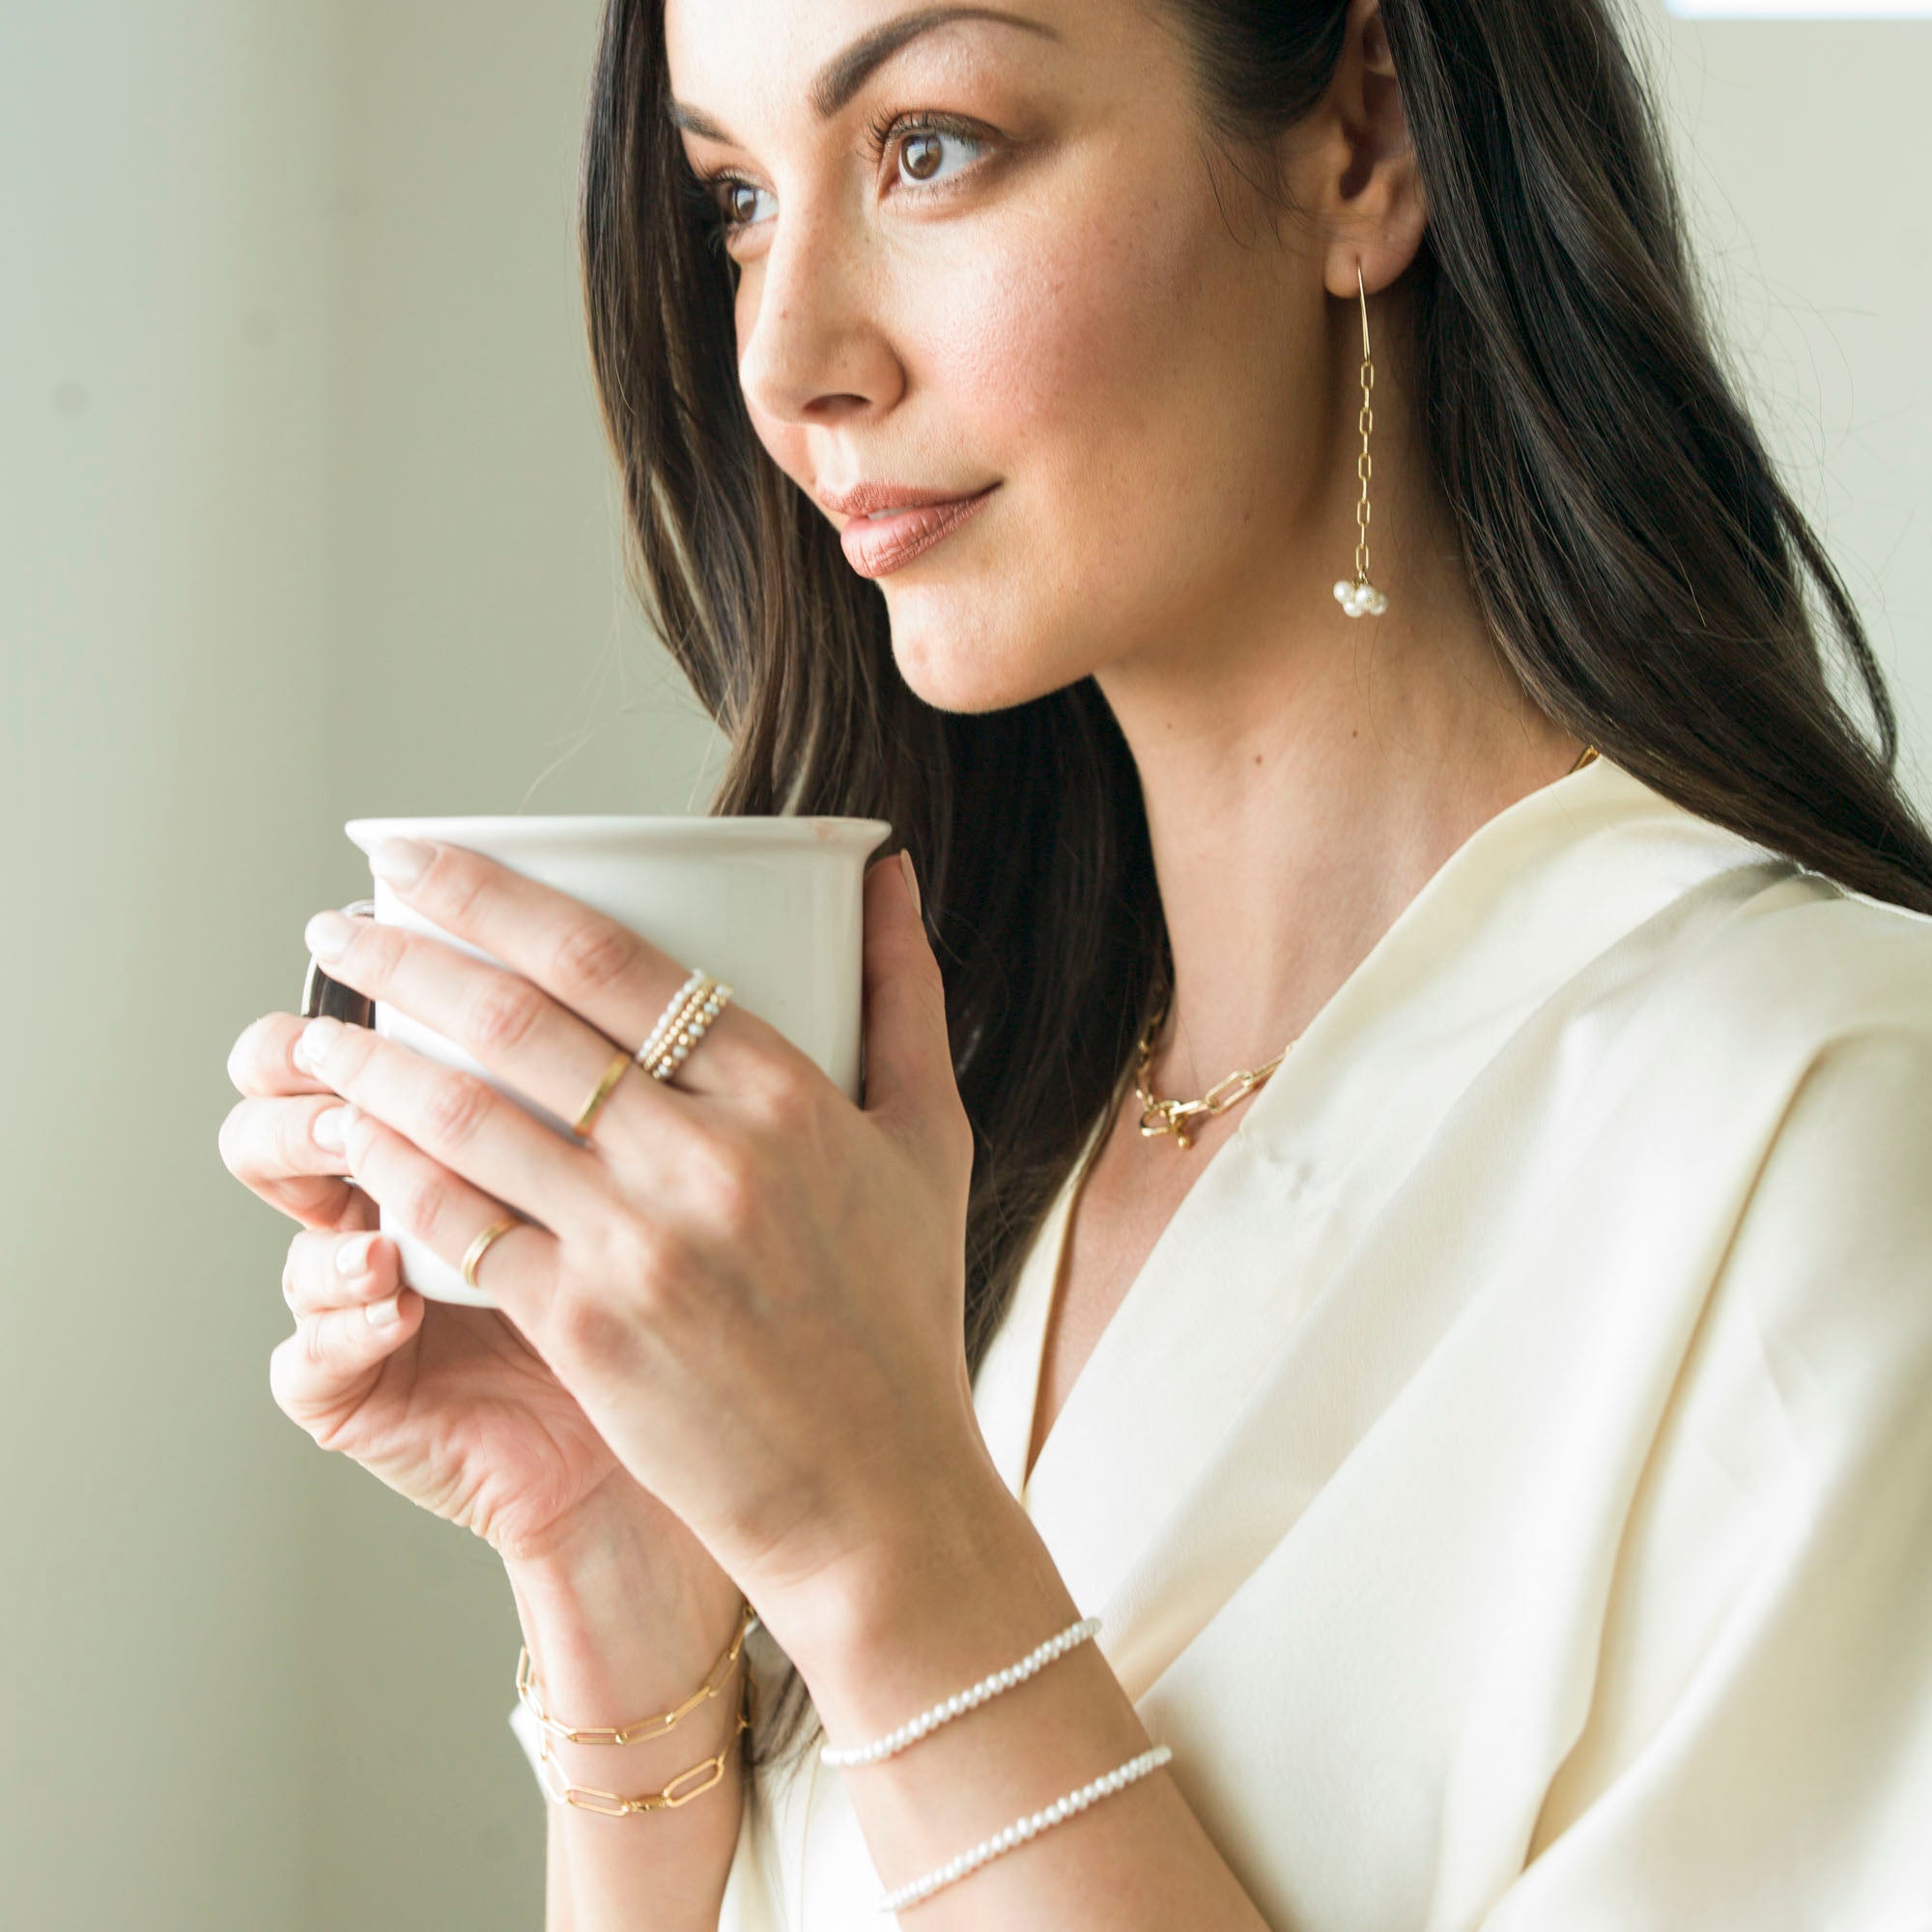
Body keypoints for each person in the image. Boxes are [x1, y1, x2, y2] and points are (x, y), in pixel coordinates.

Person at [219, 0, 1932, 1923]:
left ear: (1363, 140)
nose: (787, 361)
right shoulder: (950, 1152)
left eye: (929, 147)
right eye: (735, 201)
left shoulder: (1825, 1136)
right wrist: (625, 1578)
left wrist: (881, 1547)